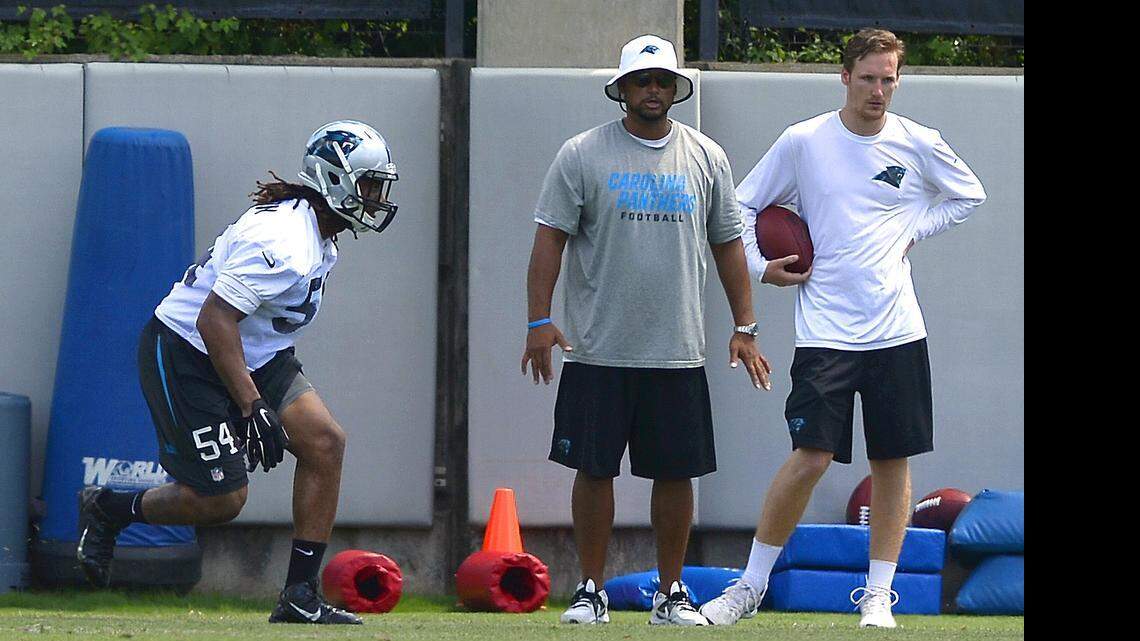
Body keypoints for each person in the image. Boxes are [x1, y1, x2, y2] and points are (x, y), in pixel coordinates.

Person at [698, 29, 986, 628]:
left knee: (892, 462)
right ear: (845, 76)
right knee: (810, 457)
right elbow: (741, 208)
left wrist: (912, 229)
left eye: (889, 79)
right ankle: (749, 587)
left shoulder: (918, 143)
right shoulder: (804, 141)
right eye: (868, 77)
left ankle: (878, 597)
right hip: (825, 332)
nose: (878, 90)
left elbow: (969, 195)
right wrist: (761, 266)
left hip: (898, 330)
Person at [76, 120, 401, 625]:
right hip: (189, 351)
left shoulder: (316, 231)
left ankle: (299, 595)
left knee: (324, 443)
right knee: (221, 499)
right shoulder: (285, 240)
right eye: (370, 185)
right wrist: (253, 405)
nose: (377, 198)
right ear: (335, 181)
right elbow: (213, 319)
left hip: (257, 351)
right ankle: (111, 509)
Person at [520, 34, 774, 627]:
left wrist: (746, 325)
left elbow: (730, 245)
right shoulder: (581, 154)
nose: (652, 90)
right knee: (593, 469)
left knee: (676, 473)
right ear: (623, 90)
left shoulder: (706, 156)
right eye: (642, 81)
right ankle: (589, 589)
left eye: (662, 81)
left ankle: (671, 594)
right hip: (598, 350)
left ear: (675, 89)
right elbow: (548, 241)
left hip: (677, 352)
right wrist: (538, 321)